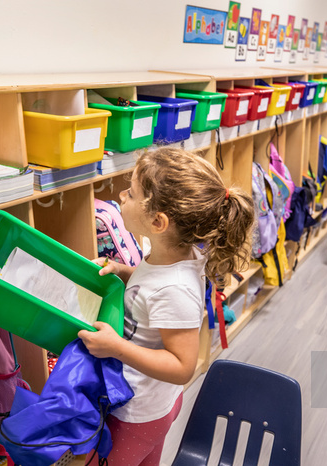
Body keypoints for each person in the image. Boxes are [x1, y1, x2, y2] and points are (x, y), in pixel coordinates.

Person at [78, 147, 255, 465]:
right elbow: (152, 287)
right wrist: (124, 271)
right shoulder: (171, 257)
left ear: (158, 222)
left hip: (137, 414)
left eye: (130, 194)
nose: (120, 195)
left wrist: (117, 347)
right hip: (154, 405)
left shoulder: (176, 288)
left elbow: (182, 365)